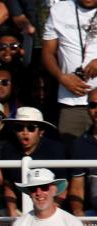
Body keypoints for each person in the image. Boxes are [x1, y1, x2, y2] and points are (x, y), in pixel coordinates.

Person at [0, 107, 79, 216]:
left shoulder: (56, 149)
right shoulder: (8, 149)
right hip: (18, 210)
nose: (25, 132)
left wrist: (51, 211)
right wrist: (12, 212)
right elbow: (9, 186)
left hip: (52, 209)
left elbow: (63, 188)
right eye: (19, 127)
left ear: (41, 132)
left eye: (31, 128)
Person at [42, 0, 97, 144]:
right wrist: (61, 78)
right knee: (71, 155)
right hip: (71, 101)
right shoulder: (59, 10)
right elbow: (47, 53)